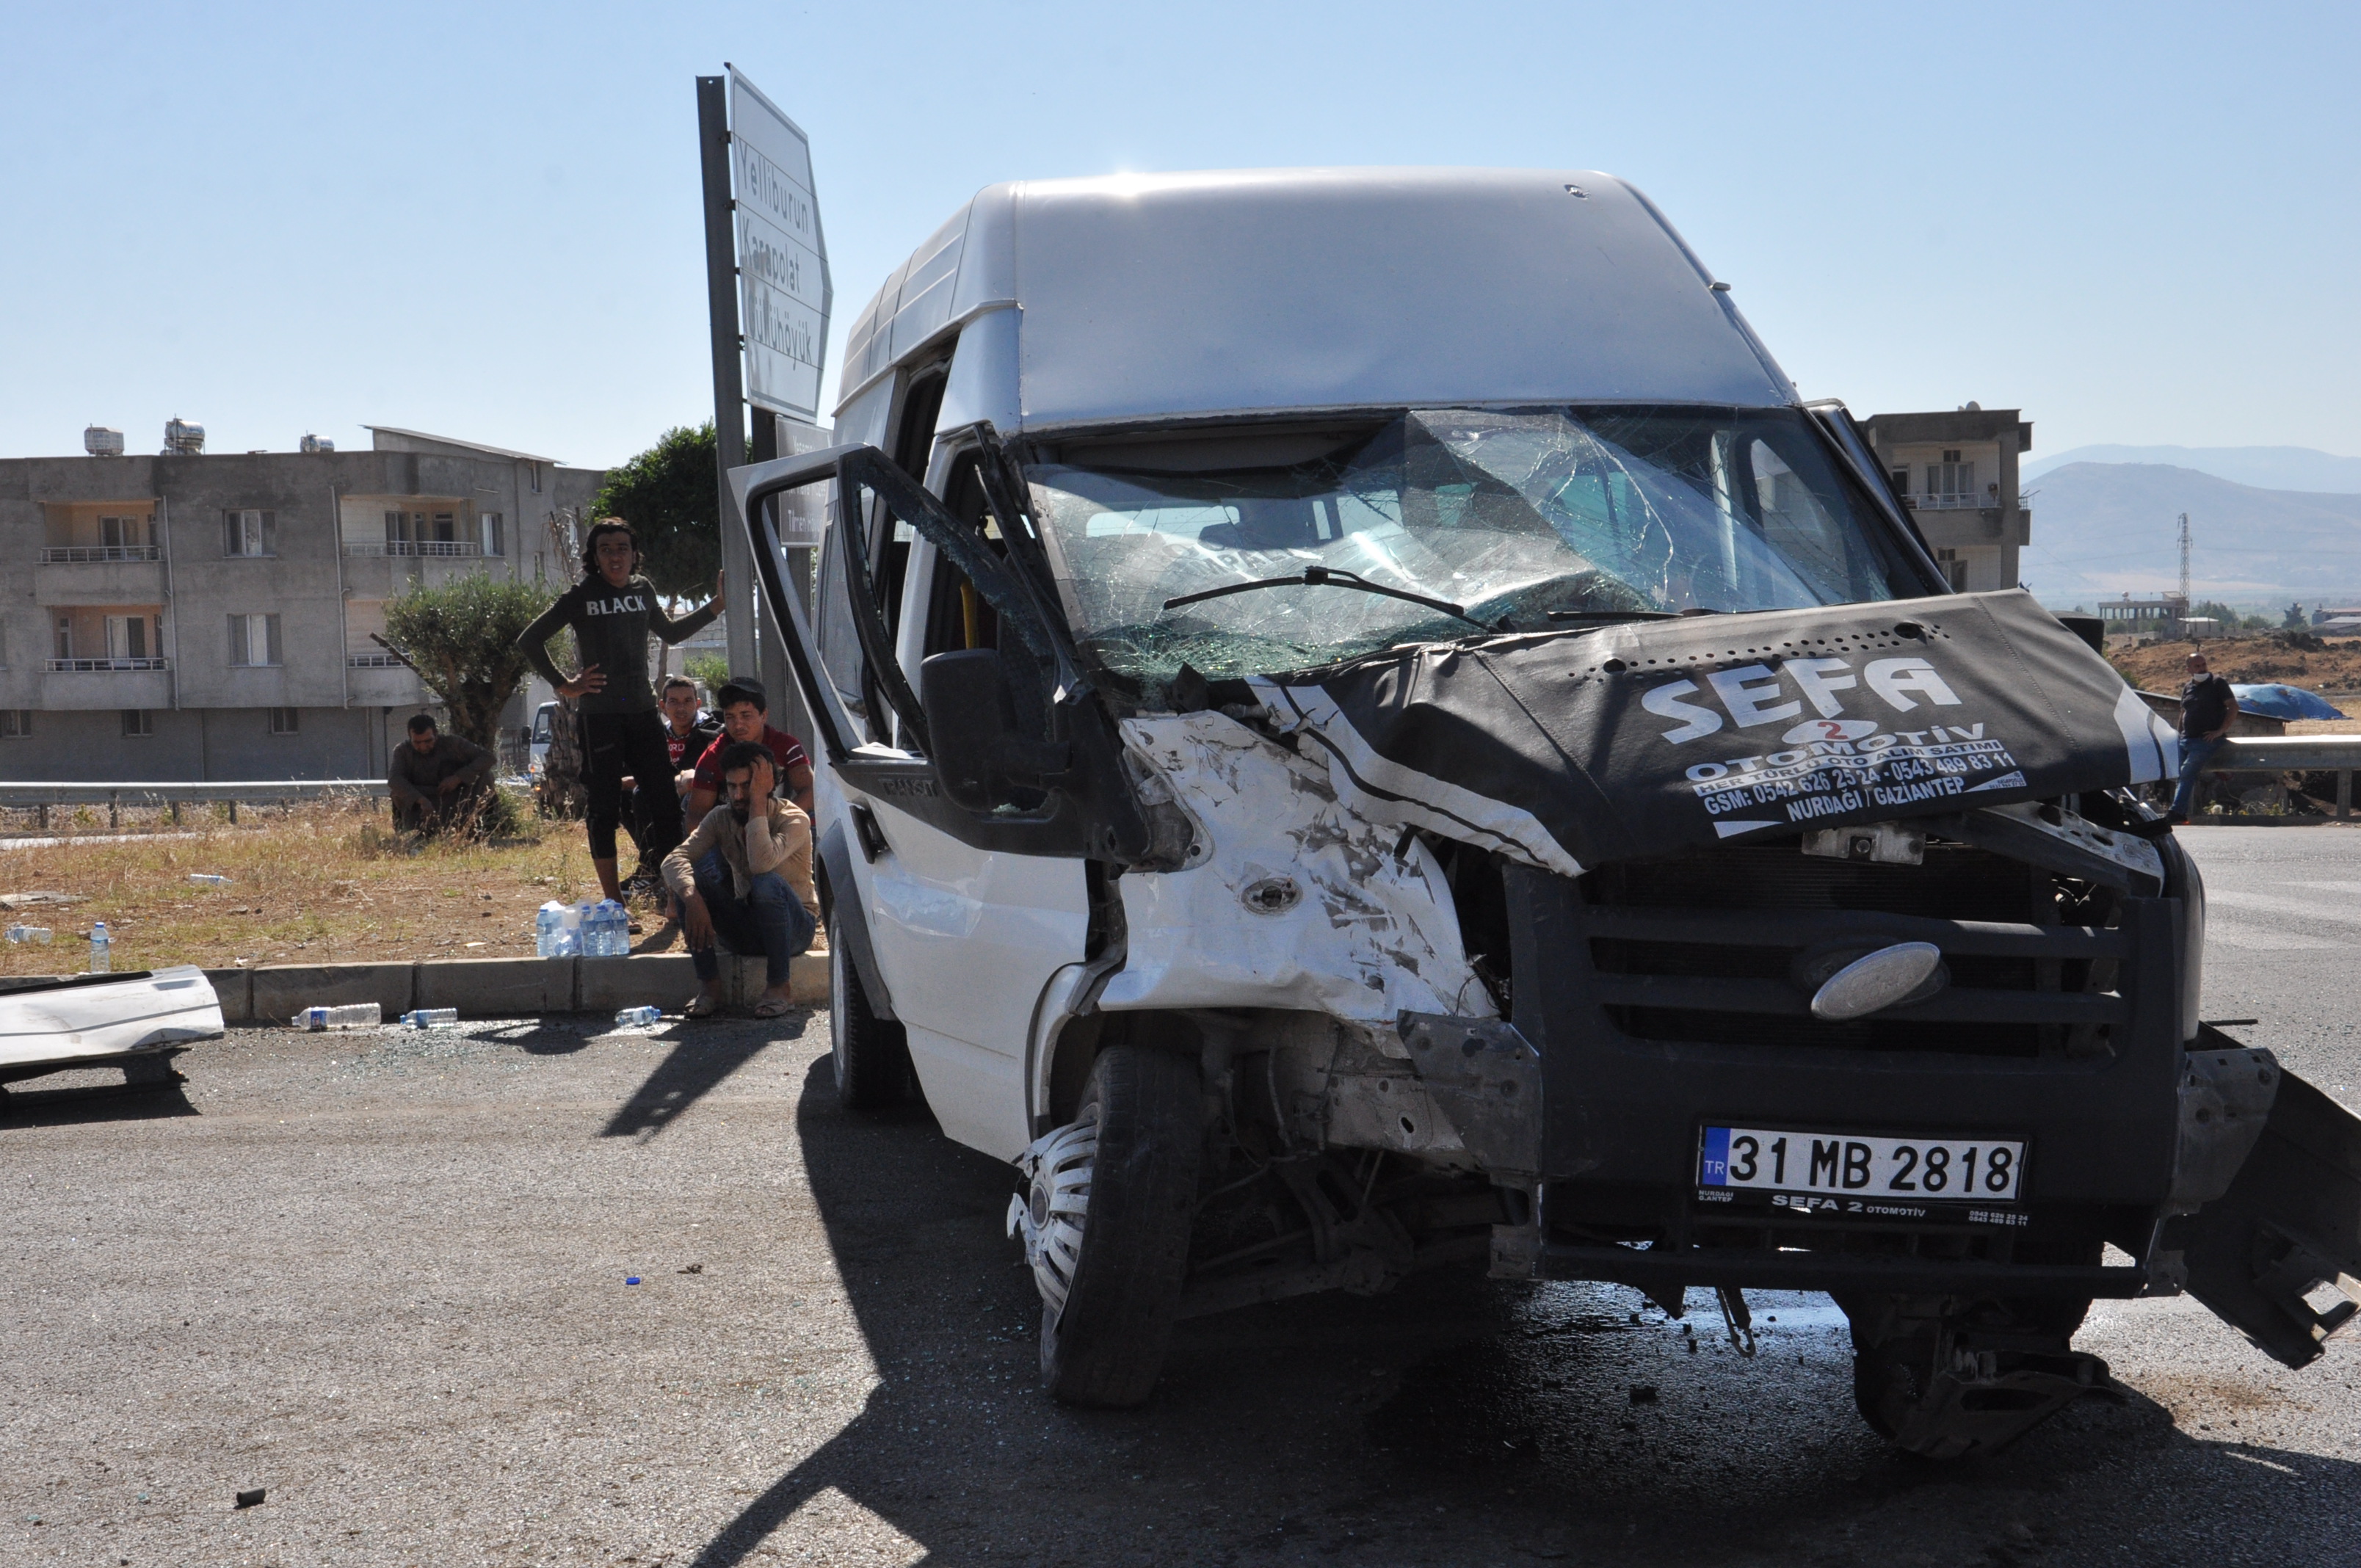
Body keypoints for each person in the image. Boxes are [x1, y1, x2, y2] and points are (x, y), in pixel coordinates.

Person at [515, 519, 722, 908]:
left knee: (663, 802)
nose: (615, 556)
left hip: (643, 712)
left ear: (633, 553)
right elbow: (530, 639)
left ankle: (677, 897)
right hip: (600, 717)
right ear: (595, 557)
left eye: (623, 548)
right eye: (606, 549)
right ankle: (613, 904)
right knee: (604, 808)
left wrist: (716, 607)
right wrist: (565, 684)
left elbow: (672, 634)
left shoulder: (643, 589)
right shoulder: (582, 594)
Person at [662, 740, 818, 1019]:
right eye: (732, 787)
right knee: (688, 880)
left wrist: (758, 803)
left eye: (747, 786)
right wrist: (691, 897)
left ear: (768, 783)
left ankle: (780, 987)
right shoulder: (721, 817)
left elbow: (761, 864)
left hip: (795, 930)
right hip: (747, 926)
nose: (737, 795)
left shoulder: (793, 819)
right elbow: (674, 859)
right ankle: (709, 986)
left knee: (765, 883)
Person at [618, 676, 722, 896]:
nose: (681, 708)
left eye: (688, 701)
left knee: (643, 794)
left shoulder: (711, 732)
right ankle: (652, 864)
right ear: (663, 706)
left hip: (700, 797)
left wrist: (643, 781)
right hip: (667, 792)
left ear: (698, 704)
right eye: (673, 702)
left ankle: (664, 869)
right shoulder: (657, 735)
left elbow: (694, 776)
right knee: (623, 797)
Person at [683, 677, 815, 828]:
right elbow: (695, 815)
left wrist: (778, 824)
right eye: (730, 717)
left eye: (746, 715)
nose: (738, 724)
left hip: (777, 828)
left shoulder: (787, 746)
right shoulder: (713, 755)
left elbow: (810, 791)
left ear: (763, 715)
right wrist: (727, 841)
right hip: (729, 835)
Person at [387, 714, 494, 833]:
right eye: (417, 742)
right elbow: (394, 780)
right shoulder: (402, 751)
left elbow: (488, 758)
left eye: (428, 741)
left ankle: (476, 826)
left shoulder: (453, 743)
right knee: (397, 792)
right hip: (422, 799)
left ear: (436, 734)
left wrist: (458, 778)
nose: (423, 747)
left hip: (455, 797)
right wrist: (421, 800)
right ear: (409, 737)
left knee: (486, 776)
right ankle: (412, 830)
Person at [2169, 650, 2240, 823]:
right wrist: (2179, 733)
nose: (2202, 669)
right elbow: (2184, 712)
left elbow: (2233, 707)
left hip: (2206, 741)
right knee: (2179, 774)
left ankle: (2176, 812)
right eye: (2197, 666)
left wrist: (2220, 731)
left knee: (2187, 772)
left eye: (2204, 665)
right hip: (2186, 740)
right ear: (2189, 669)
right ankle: (2181, 811)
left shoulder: (2217, 683)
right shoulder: (2188, 687)